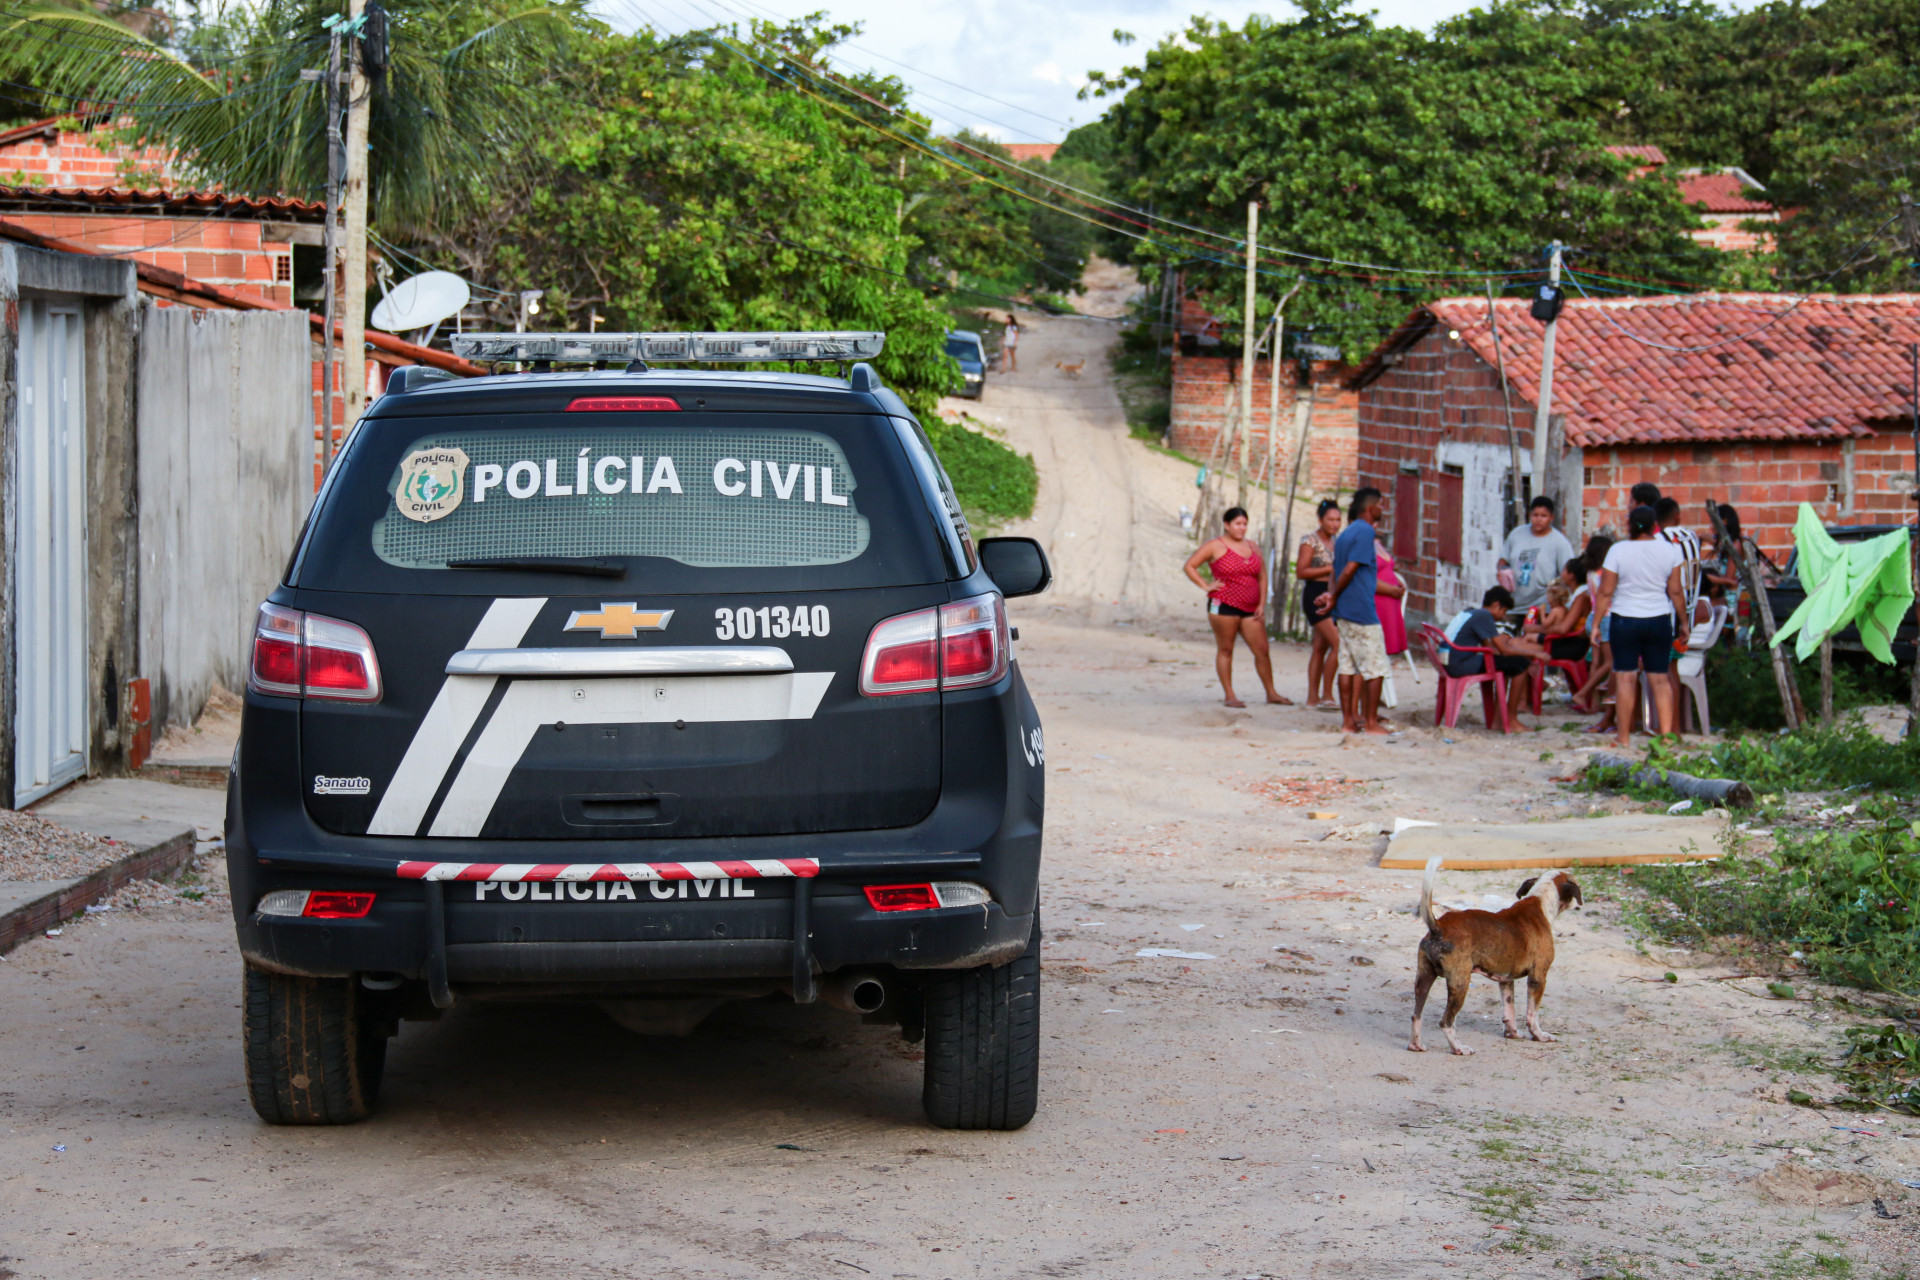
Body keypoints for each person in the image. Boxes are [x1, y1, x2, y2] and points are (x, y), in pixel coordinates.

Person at [1592, 505, 1688, 748]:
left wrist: (1595, 625)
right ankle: (1666, 736)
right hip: (1659, 619)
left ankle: (1623, 736)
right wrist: (1684, 622)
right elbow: (1675, 591)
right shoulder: (1670, 551)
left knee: (1625, 678)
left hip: (1624, 619)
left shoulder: (1617, 550)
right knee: (1660, 679)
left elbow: (1605, 592)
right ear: (1655, 526)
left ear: (1629, 525)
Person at [1183, 506, 1291, 708]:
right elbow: (1190, 565)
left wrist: (1261, 603)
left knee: (1262, 651)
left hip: (1251, 607)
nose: (1242, 528)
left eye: (1244, 524)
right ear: (1227, 525)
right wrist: (1206, 585)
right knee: (1226, 649)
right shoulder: (1215, 546)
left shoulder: (1253, 546)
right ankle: (1230, 694)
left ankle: (1271, 692)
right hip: (1224, 605)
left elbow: (1262, 575)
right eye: (1238, 524)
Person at [1319, 487, 1390, 734]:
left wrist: (1332, 596)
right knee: (1375, 667)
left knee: (1348, 666)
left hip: (1344, 611)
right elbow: (1348, 569)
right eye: (1380, 505)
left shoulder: (1346, 533)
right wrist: (1335, 594)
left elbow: (1335, 571)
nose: (1383, 509)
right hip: (1361, 609)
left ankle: (1348, 721)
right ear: (1370, 509)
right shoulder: (1365, 531)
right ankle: (1370, 722)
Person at [1445, 586, 1549, 723]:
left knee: (1506, 663)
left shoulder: (1471, 612)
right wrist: (1535, 654)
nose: (1503, 616)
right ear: (1496, 605)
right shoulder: (1485, 616)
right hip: (1459, 664)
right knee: (1520, 665)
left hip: (1447, 662)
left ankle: (1498, 718)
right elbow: (1504, 650)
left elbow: (1492, 649)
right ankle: (1511, 720)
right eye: (1504, 611)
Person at [1295, 499, 1342, 709]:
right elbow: (1301, 571)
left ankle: (1312, 698)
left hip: (1332, 594)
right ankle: (1327, 695)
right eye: (1330, 519)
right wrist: (1328, 569)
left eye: (1338, 520)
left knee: (1319, 647)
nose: (1334, 524)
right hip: (1315, 593)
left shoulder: (1338, 542)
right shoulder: (1310, 541)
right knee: (1338, 644)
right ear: (1320, 519)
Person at [1497, 496, 1576, 611]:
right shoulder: (1516, 534)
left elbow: (1568, 574)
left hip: (1543, 608)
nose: (1538, 519)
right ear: (1530, 515)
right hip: (1513, 605)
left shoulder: (1560, 542)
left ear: (1551, 518)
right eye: (1535, 515)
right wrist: (1502, 571)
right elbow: (1503, 560)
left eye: (1543, 516)